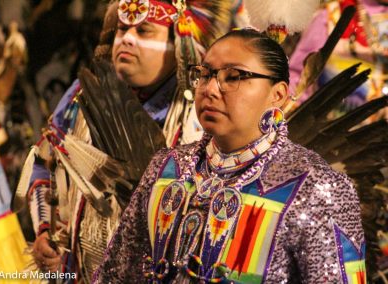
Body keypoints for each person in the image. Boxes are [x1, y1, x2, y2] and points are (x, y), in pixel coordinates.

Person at [94, 28, 366, 283]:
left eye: (234, 77)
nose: (211, 89)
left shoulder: (316, 187)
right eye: (205, 74)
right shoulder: (167, 167)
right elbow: (116, 273)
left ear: (278, 94)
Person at [22, 0, 243, 282]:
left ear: (179, 44)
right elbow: (44, 163)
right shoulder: (83, 94)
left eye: (144, 31)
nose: (126, 38)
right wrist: (44, 230)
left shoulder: (202, 116)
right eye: (122, 29)